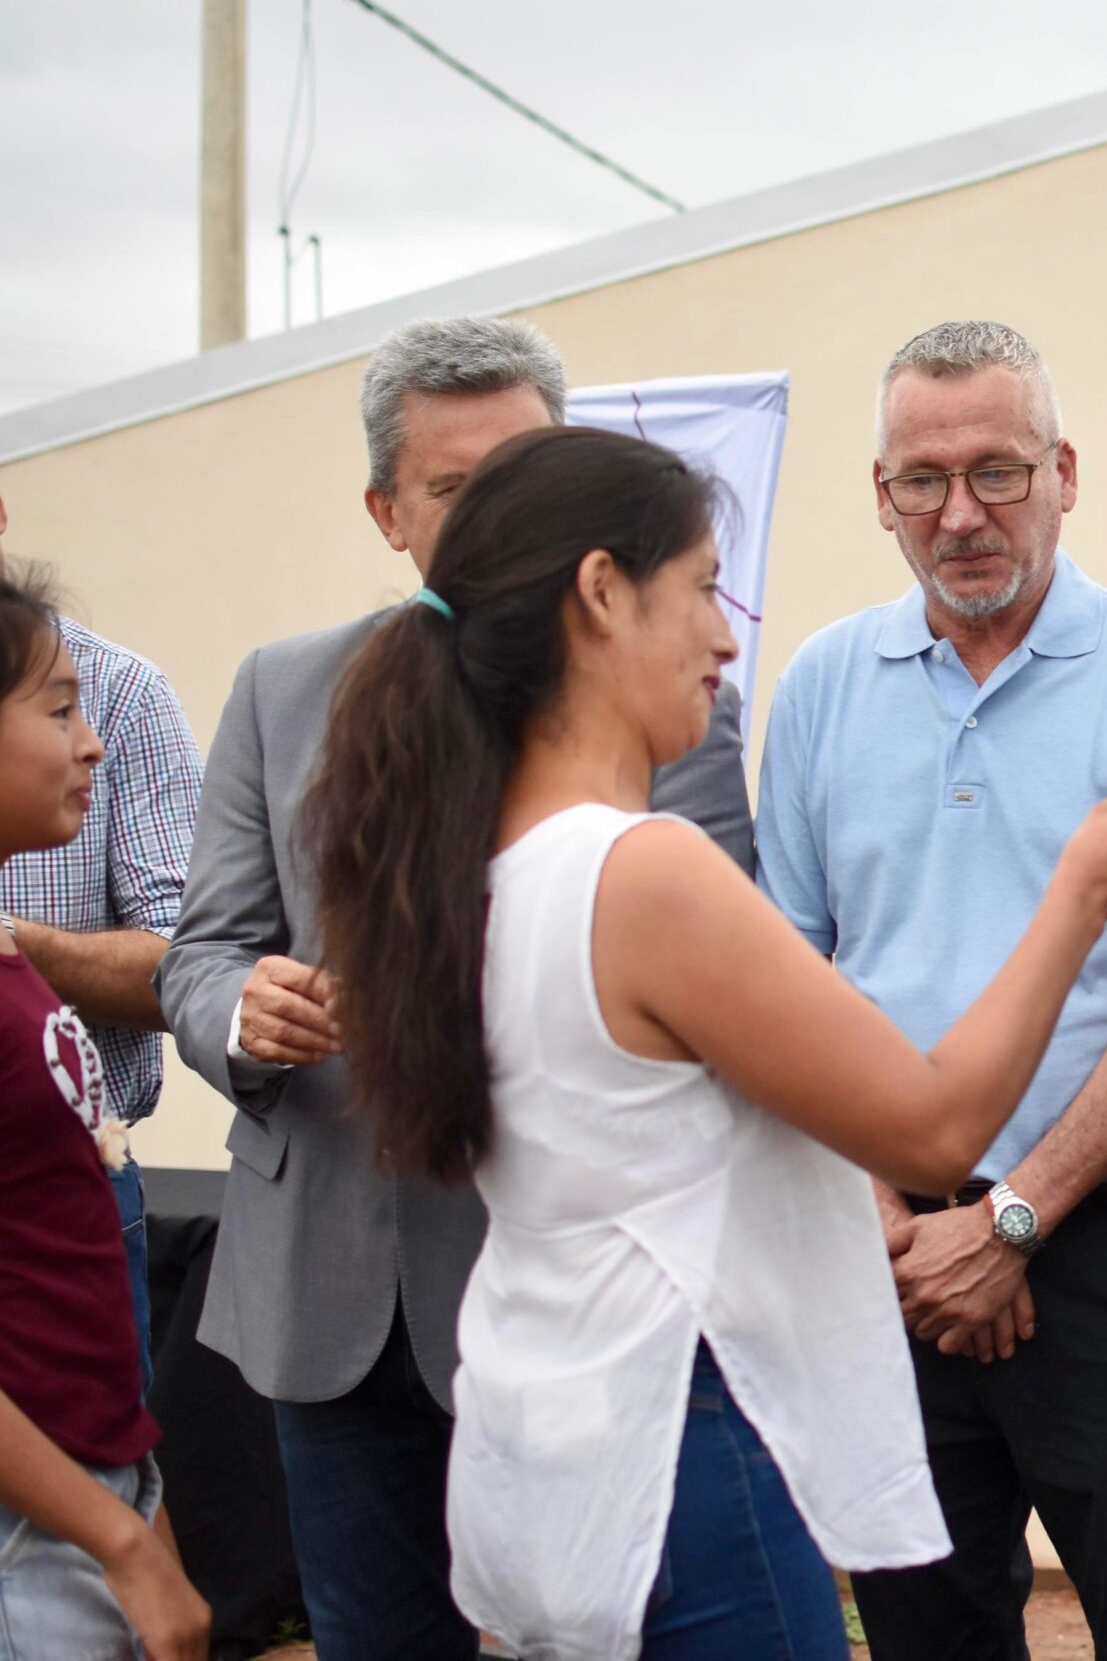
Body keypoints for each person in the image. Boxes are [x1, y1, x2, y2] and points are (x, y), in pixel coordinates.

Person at [297, 424, 1107, 1659]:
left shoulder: (476, 862)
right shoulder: (645, 873)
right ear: (602, 593)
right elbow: (934, 1122)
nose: (724, 638)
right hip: (681, 1446)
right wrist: (1081, 891)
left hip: (549, 1444)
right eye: (701, 590)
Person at [154, 318, 754, 1660]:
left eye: (523, 478)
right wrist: (242, 1012)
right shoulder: (283, 689)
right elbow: (201, 950)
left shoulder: (667, 688)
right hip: (330, 1302)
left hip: (571, 1286)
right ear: (385, 512)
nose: (495, 520)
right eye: (451, 489)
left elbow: (722, 972)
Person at [755, 320, 1107, 1661]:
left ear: (1065, 473)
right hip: (887, 1259)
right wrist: (886, 1217)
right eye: (923, 480)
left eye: (998, 470)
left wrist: (1016, 1217)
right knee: (925, 1635)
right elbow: (791, 985)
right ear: (881, 496)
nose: (962, 513)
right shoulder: (821, 685)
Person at [0, 568, 209, 1661]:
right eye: (58, 712)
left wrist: (136, 1510)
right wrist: (119, 1541)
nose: (92, 745)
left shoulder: (18, 968)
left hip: (83, 1491)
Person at [0, 493, 201, 1393]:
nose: (88, 747)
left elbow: (188, 962)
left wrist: (15, 949)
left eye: (71, 710)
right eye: (58, 716)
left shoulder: (126, 691)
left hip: (79, 1183)